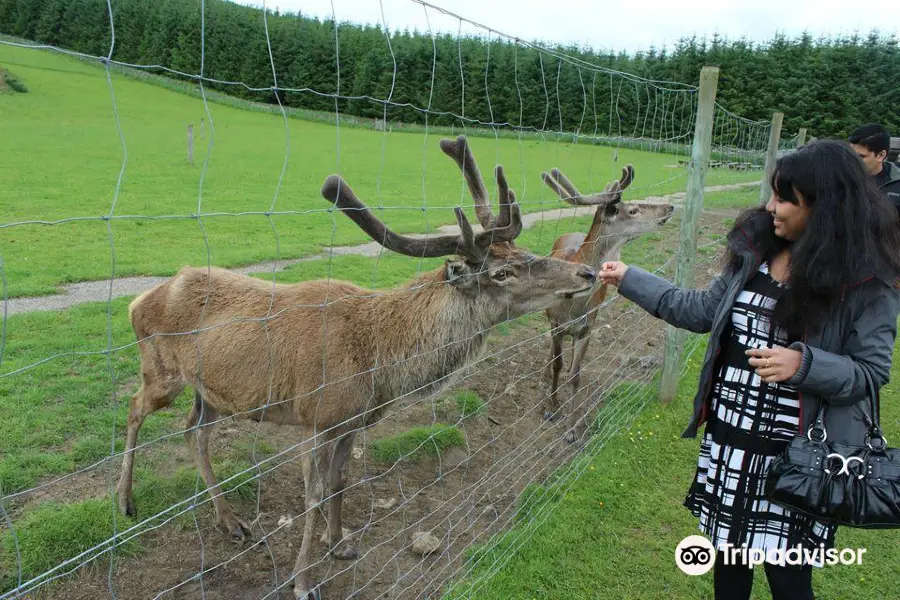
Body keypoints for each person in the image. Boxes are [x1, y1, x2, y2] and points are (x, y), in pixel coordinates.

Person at [599, 140, 900, 600]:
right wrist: (631, 279)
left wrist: (805, 365)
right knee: (729, 566)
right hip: (732, 444)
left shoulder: (867, 282)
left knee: (788, 579)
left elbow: (870, 372)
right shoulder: (755, 251)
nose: (770, 207)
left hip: (798, 457)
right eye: (772, 193)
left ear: (823, 207)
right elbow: (702, 311)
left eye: (784, 198)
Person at [848, 123, 900, 212]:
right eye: (851, 155)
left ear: (881, 155)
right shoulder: (841, 177)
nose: (853, 160)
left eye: (861, 156)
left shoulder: (896, 181)